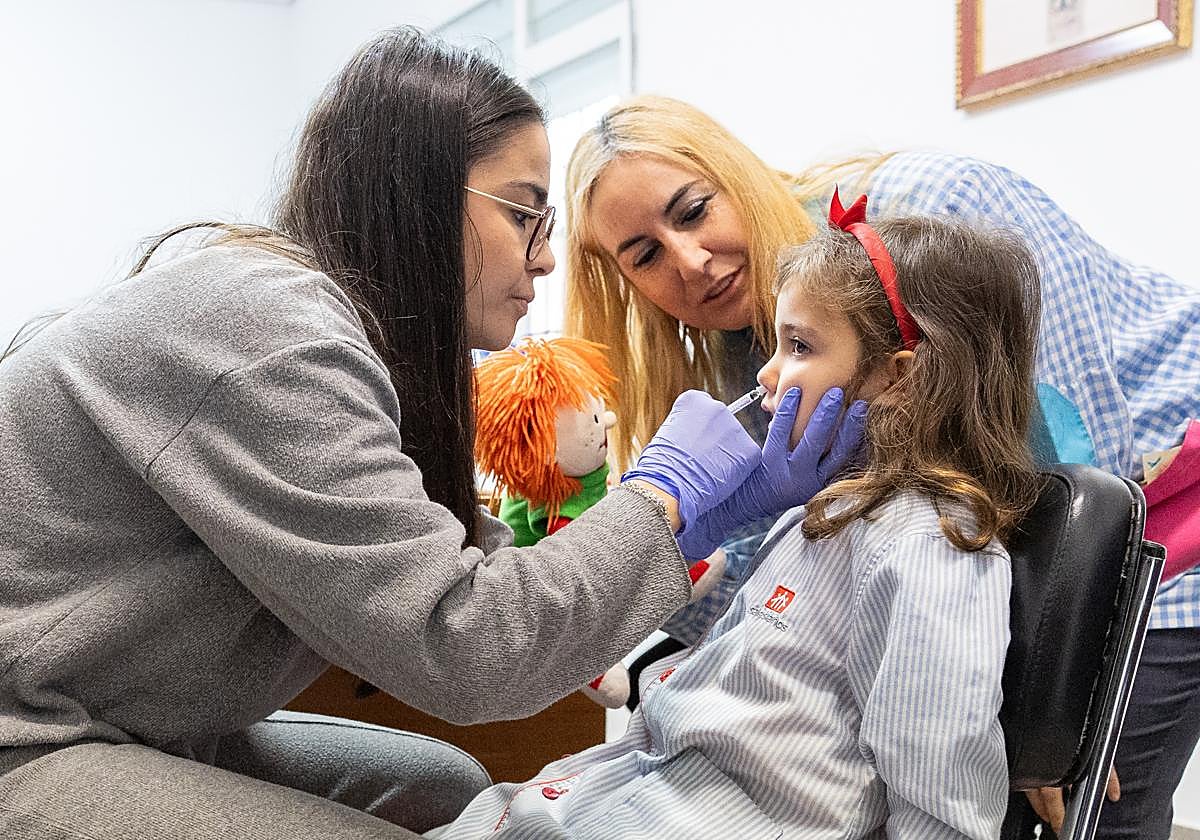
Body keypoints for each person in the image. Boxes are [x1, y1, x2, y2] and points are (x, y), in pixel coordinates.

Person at [0, 33, 863, 840]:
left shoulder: (345, 342)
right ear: (416, 197)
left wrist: (700, 519)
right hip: (27, 732)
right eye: (525, 213)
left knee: (447, 789)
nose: (546, 259)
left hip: (112, 710)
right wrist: (661, 492)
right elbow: (470, 647)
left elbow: (470, 570)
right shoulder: (272, 331)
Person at [564, 95, 1200, 838]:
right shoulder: (757, 351)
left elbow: (1079, 462)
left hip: (1154, 514)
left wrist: (1063, 687)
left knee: (1074, 797)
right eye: (644, 256)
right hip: (1007, 533)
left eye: (694, 210)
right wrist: (656, 555)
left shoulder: (946, 213)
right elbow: (767, 577)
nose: (692, 262)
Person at [428, 198, 1043, 839]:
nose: (767, 372)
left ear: (900, 381)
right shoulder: (821, 516)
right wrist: (694, 515)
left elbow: (939, 798)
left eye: (799, 346)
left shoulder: (927, 545)